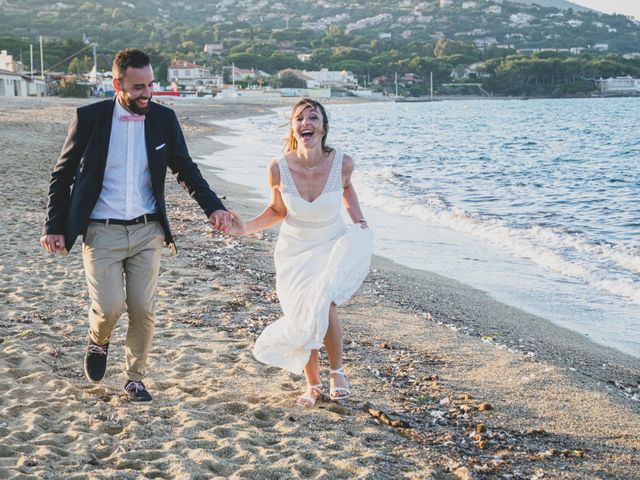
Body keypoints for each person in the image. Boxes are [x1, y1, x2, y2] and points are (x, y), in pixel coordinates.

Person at [40, 48, 232, 402]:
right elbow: (62, 174)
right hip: (101, 230)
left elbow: (185, 170)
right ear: (118, 84)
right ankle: (98, 341)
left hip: (148, 230)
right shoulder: (90, 118)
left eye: (150, 85)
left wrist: (213, 209)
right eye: (138, 87)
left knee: (143, 308)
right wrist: (54, 225)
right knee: (110, 307)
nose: (147, 93)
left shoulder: (163, 120)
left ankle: (134, 377)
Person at [227, 98, 373, 407]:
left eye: (313, 117)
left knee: (323, 302)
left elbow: (346, 189)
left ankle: (337, 372)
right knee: (302, 313)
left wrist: (359, 221)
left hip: (330, 244)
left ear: (323, 127)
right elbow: (277, 210)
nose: (306, 122)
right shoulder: (278, 168)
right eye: (299, 118)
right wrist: (245, 228)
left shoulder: (342, 163)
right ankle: (312, 384)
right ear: (293, 128)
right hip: (294, 252)